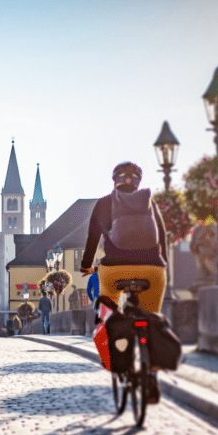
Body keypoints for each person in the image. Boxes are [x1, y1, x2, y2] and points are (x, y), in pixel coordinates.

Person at [80, 161, 168, 403]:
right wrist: (162, 264)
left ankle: (119, 355)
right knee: (151, 318)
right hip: (153, 269)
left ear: (114, 180)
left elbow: (92, 238)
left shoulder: (105, 203)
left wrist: (86, 265)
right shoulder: (149, 202)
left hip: (114, 269)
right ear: (137, 182)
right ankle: (151, 376)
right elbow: (162, 237)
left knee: (109, 311)